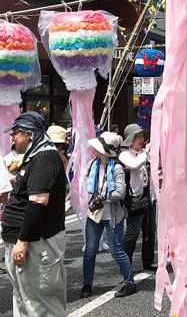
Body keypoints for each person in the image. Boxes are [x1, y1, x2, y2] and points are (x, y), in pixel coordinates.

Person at [1, 111, 67, 317]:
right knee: (24, 300)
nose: (12, 138)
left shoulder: (44, 158)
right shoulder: (35, 157)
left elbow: (38, 202)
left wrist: (23, 241)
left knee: (41, 305)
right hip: (27, 242)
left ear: (29, 134)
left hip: (37, 244)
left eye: (15, 133)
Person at [80, 131, 137, 299]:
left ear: (105, 151)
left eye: (98, 147)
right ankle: (87, 284)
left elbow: (120, 192)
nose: (94, 150)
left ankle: (130, 283)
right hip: (95, 213)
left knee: (116, 250)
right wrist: (94, 193)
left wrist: (102, 196)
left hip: (113, 215)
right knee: (89, 250)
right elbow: (86, 184)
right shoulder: (92, 164)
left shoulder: (117, 168)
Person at [119, 124, 156, 271]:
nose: (141, 140)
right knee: (132, 235)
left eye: (142, 136)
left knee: (149, 232)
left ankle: (148, 261)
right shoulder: (124, 155)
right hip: (135, 199)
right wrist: (146, 153)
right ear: (130, 140)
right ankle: (125, 264)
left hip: (149, 197)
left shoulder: (144, 153)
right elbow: (133, 165)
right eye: (137, 137)